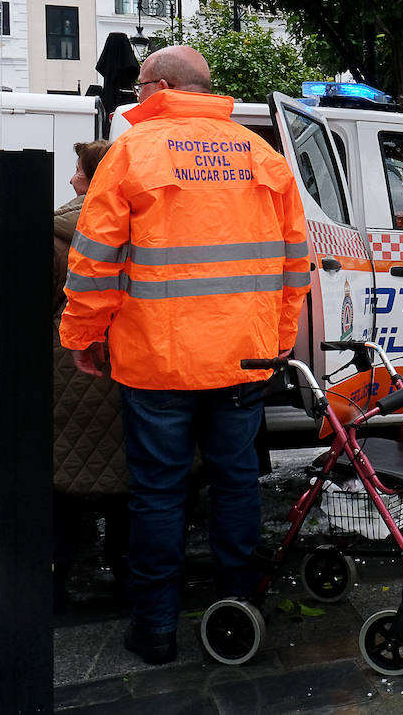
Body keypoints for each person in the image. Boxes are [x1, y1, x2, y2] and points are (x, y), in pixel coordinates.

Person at [60, 46, 310, 665]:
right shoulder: (263, 157)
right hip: (242, 362)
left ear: (163, 86)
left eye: (139, 88)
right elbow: (294, 265)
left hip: (157, 364)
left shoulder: (130, 155)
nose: (134, 100)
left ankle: (155, 631)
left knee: (158, 495)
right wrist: (277, 342)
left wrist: (83, 337)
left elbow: (93, 263)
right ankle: (238, 614)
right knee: (235, 486)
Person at [52, 139, 127, 612]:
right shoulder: (144, 226)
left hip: (68, 375)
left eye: (77, 172)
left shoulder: (56, 231)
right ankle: (125, 571)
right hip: (131, 370)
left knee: (66, 479)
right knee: (127, 479)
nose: (72, 179)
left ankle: (75, 569)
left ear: (88, 178)